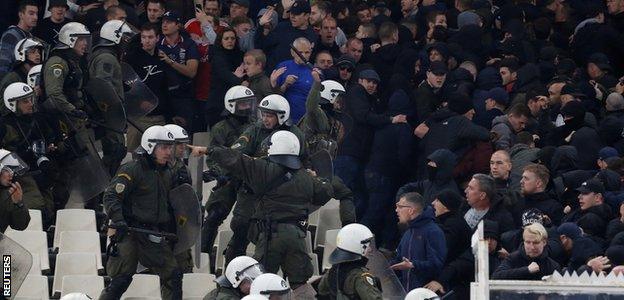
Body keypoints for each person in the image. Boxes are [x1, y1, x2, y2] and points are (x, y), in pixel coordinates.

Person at [189, 130, 333, 289]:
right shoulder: (305, 176)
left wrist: (208, 150)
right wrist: (315, 177)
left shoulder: (262, 169)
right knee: (300, 285)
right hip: (298, 235)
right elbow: (324, 194)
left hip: (271, 235)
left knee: (263, 284)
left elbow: (235, 159)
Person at [100, 125, 182, 299]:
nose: (168, 152)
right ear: (151, 147)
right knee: (120, 279)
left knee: (173, 275)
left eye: (170, 147)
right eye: (164, 147)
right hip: (129, 232)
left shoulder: (167, 173)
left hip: (152, 233)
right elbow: (111, 196)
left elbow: (170, 205)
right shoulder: (132, 169)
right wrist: (119, 220)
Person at [337, 69, 406, 218]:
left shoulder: (371, 99)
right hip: (349, 153)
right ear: (360, 81)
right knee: (343, 194)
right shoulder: (356, 91)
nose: (372, 85)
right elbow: (363, 116)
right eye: (369, 81)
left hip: (358, 155)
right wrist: (390, 119)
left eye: (375, 83)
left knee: (357, 197)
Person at [201, 85, 255, 253]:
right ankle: (204, 255)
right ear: (231, 105)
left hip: (248, 179)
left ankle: (234, 252)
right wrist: (220, 174)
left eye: (249, 103)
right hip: (228, 178)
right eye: (242, 104)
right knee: (214, 216)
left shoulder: (256, 126)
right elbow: (213, 156)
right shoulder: (221, 128)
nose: (247, 107)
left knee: (244, 221)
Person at [1, 82, 60, 226]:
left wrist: (50, 150)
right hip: (18, 176)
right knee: (35, 209)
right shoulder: (4, 126)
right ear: (13, 104)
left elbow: (51, 139)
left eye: (31, 99)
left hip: (41, 171)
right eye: (25, 101)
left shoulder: (39, 119)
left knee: (49, 209)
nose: (30, 104)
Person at [88, 20, 134, 176]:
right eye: (124, 37)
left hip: (110, 113)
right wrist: (108, 114)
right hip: (109, 114)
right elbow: (102, 86)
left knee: (117, 150)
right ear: (114, 36)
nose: (126, 41)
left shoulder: (107, 55)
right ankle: (104, 186)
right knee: (116, 149)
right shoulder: (107, 58)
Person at [123, 23, 169, 151]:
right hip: (138, 117)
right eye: (144, 37)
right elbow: (125, 85)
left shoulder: (162, 58)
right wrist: (139, 101)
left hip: (159, 117)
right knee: (132, 154)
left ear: (157, 38)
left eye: (150, 37)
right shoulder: (131, 58)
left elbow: (165, 87)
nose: (147, 41)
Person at [390, 192, 447, 291]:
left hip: (424, 294)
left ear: (411, 210)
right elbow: (399, 259)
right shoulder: (408, 232)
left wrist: (413, 265)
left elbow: (436, 265)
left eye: (399, 206)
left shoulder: (433, 231)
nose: (396, 210)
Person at [317, 223, 383, 300]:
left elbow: (322, 291)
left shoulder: (333, 270)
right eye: (368, 246)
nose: (370, 249)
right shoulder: (361, 276)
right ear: (358, 247)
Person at [158, 11, 199, 132]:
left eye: (169, 22)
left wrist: (169, 61)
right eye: (163, 22)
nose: (164, 25)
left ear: (178, 25)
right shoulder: (157, 43)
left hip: (183, 97)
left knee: (183, 134)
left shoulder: (188, 44)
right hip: (163, 97)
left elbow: (192, 72)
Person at [255, 0, 317, 69]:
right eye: (291, 13)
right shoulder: (282, 28)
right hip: (275, 74)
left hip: (298, 76)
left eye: (297, 14)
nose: (292, 16)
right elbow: (261, 45)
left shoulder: (312, 35)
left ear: (307, 16)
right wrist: (260, 25)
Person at [492, 223, 560, 280]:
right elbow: (496, 276)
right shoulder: (513, 258)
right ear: (523, 241)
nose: (532, 247)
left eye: (536, 243)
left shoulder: (552, 266)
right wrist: (526, 270)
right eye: (528, 242)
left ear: (544, 242)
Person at [206, 28, 244, 127]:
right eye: (226, 38)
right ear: (220, 41)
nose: (230, 41)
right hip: (218, 103)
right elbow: (227, 76)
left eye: (232, 38)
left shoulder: (240, 56)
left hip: (236, 103)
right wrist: (236, 78)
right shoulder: (217, 57)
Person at [273, 37, 314, 123]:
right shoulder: (283, 67)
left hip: (307, 120)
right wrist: (285, 84)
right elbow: (275, 95)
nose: (303, 55)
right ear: (292, 52)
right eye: (300, 52)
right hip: (285, 119)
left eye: (307, 52)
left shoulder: (314, 71)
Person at [0, 37, 44, 116]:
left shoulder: (41, 74)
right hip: (16, 123)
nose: (38, 54)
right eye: (33, 52)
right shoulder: (12, 78)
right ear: (22, 54)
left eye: (39, 52)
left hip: (36, 119)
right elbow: (2, 107)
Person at [0, 0, 38, 79]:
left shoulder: (31, 36)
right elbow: (3, 65)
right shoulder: (11, 35)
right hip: (11, 84)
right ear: (21, 15)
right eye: (31, 13)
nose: (35, 17)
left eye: (36, 14)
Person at [0, 149, 30, 233]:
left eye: (13, 170)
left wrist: (18, 204)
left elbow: (20, 225)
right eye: (8, 170)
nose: (12, 174)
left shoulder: (10, 193)